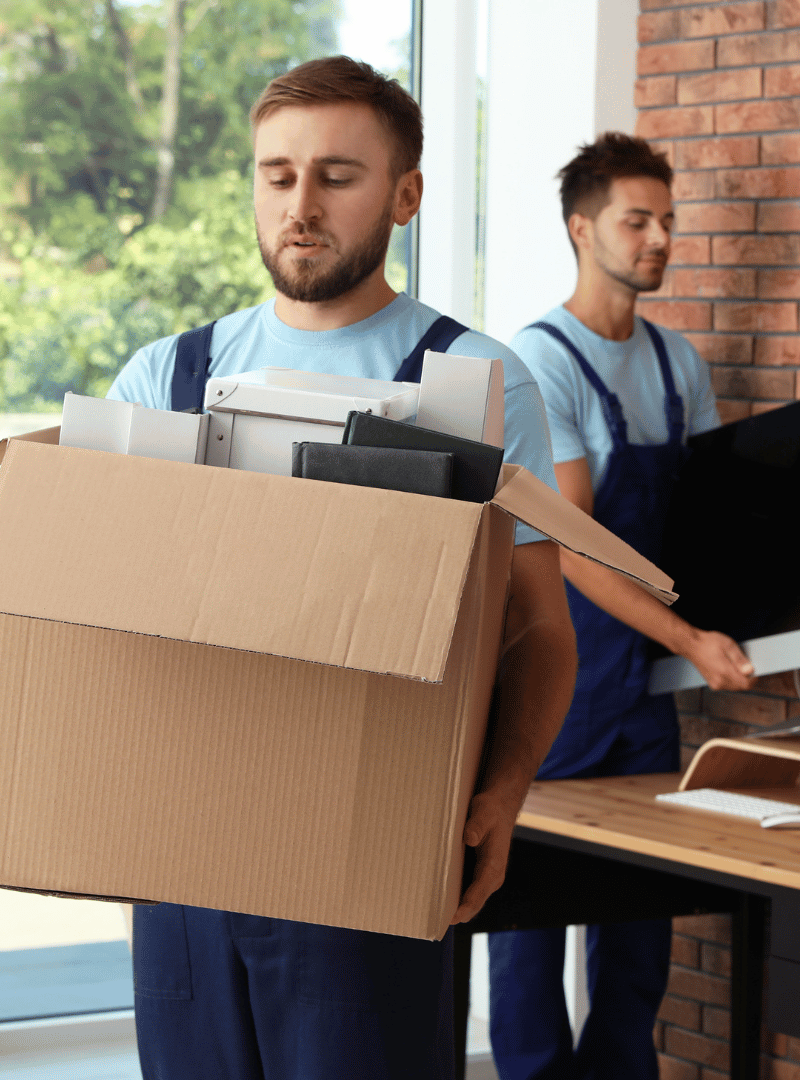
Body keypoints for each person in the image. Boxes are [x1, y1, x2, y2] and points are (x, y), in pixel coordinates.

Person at [104, 56, 579, 1080]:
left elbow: (539, 628)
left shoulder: (479, 385)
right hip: (184, 855)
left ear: (405, 195)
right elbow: (91, 614)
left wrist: (500, 797)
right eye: (277, 176)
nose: (301, 205)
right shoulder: (165, 378)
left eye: (337, 175)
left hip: (375, 841)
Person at [486, 132, 757, 1080]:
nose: (658, 240)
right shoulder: (538, 361)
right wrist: (690, 635)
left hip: (645, 689)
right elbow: (568, 544)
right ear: (581, 228)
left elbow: (712, 522)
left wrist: (787, 623)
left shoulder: (679, 362)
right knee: (530, 923)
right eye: (636, 220)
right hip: (558, 673)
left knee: (641, 923)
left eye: (668, 222)